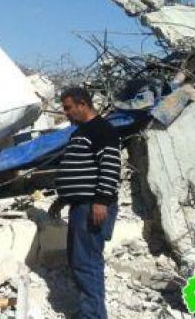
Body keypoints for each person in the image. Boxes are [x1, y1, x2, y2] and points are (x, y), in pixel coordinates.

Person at [51, 86, 121, 319]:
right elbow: (78, 170)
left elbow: (110, 167)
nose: (67, 113)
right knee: (78, 260)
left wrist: (101, 201)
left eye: (69, 108)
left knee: (87, 262)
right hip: (80, 206)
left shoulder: (102, 130)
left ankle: (93, 315)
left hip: (93, 206)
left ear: (83, 105)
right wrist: (62, 199)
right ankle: (88, 312)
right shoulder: (80, 133)